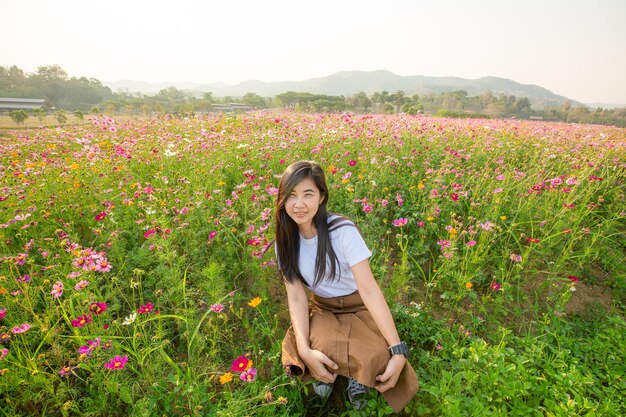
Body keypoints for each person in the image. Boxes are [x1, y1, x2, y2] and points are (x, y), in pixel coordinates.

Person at [273, 160, 419, 413]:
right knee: (310, 343)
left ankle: (352, 375)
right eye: (291, 196)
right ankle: (336, 368)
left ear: (321, 197)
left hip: (358, 305)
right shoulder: (285, 241)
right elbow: (296, 298)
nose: (299, 204)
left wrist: (398, 350)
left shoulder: (342, 231)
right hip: (324, 308)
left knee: (378, 354)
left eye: (308, 194)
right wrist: (306, 351)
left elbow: (370, 290)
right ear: (282, 200)